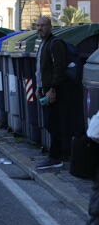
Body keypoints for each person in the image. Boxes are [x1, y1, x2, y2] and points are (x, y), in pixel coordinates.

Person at [35, 16, 71, 171]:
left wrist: (52, 89)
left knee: (55, 124)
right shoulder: (43, 44)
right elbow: (40, 70)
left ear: (50, 26)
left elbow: (59, 69)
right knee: (50, 123)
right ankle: (53, 155)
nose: (39, 28)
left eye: (43, 25)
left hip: (54, 92)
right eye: (37, 25)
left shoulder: (55, 44)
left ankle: (56, 157)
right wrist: (38, 87)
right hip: (44, 90)